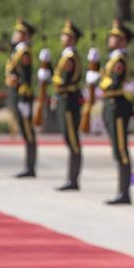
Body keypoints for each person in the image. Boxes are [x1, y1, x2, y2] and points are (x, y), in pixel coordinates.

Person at [97, 19, 134, 205]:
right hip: (110, 105)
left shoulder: (120, 60)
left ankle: (124, 192)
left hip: (118, 106)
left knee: (121, 149)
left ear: (123, 41)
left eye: (115, 37)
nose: (110, 39)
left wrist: (99, 80)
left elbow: (112, 82)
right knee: (117, 149)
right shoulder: (113, 59)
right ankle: (121, 191)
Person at [48, 19, 84, 191]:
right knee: (69, 140)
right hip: (65, 99)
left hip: (69, 101)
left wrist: (49, 73)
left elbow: (63, 80)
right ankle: (71, 178)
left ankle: (73, 179)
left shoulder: (70, 57)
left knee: (73, 141)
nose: (62, 37)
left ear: (72, 38)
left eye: (65, 35)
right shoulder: (66, 56)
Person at [5, 18, 37, 178]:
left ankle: (30, 167)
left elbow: (26, 76)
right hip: (17, 94)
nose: (15, 34)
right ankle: (28, 166)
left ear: (24, 35)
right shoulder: (18, 51)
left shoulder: (24, 52)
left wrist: (24, 96)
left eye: (18, 32)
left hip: (23, 96)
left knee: (28, 132)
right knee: (25, 132)